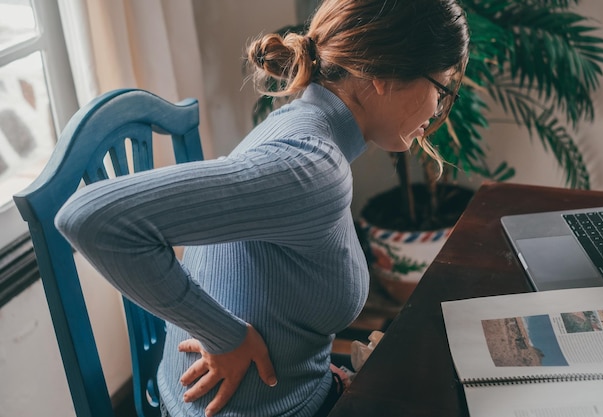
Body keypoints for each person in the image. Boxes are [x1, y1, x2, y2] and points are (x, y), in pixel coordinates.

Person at [55, 0, 469, 416]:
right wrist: (225, 336)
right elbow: (89, 217)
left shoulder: (301, 125)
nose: (437, 110)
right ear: (383, 72)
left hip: (297, 389)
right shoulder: (313, 165)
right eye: (442, 87)